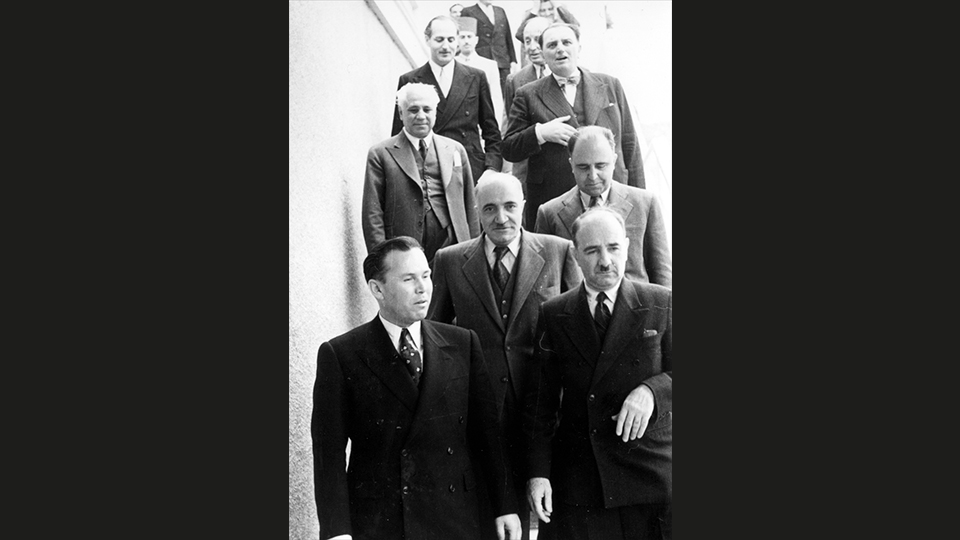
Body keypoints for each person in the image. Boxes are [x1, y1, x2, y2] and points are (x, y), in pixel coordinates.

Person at [312, 237, 522, 540]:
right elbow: (328, 454)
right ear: (377, 289)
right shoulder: (342, 354)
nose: (423, 288)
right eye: (409, 279)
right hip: (382, 523)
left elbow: (487, 435)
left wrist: (505, 507)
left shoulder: (463, 343)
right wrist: (337, 532)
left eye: (426, 275)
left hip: (454, 518)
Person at [428, 171, 581, 540]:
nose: (501, 218)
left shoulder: (558, 251)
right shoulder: (450, 260)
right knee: (496, 517)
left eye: (510, 206)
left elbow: (577, 329)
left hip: (546, 410)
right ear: (476, 211)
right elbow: (434, 334)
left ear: (524, 207)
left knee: (550, 513)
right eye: (490, 209)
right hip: (481, 411)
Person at [523, 207, 672, 539]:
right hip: (583, 481)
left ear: (628, 247)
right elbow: (540, 403)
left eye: (613, 248)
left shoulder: (662, 302)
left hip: (649, 477)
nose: (605, 261)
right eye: (592, 251)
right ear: (575, 255)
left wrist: (652, 391)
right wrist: (538, 474)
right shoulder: (554, 313)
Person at [502, 22, 644, 230]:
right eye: (552, 45)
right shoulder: (528, 94)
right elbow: (509, 148)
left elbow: (630, 144)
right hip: (556, 201)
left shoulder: (610, 85)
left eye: (566, 42)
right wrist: (540, 133)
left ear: (579, 48)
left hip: (611, 195)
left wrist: (639, 200)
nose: (560, 49)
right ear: (543, 54)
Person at [535, 126, 671, 288]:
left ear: (614, 161)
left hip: (637, 302)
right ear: (571, 164)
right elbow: (546, 284)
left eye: (601, 166)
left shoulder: (645, 204)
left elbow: (663, 274)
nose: (593, 176)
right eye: (583, 167)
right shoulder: (549, 214)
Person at [365, 82, 480, 264]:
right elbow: (373, 214)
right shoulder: (380, 154)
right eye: (413, 110)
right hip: (403, 250)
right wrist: (382, 262)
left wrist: (474, 251)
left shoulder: (455, 149)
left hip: (451, 245)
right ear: (401, 113)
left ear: (435, 112)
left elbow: (470, 205)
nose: (421, 116)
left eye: (427, 109)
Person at [392, 15, 502, 182]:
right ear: (427, 40)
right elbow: (398, 136)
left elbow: (491, 131)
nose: (445, 46)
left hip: (468, 169)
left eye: (451, 40)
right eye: (439, 40)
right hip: (427, 171)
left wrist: (491, 169)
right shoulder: (410, 80)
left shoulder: (476, 77)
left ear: (457, 40)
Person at [500, 16, 552, 198]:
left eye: (537, 39)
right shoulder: (515, 81)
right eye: (527, 41)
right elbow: (510, 130)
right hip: (529, 173)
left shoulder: (568, 75)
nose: (531, 47)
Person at [455, 17, 505, 130]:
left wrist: (495, 126)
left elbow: (496, 98)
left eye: (469, 37)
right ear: (457, 40)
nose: (466, 41)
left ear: (476, 40)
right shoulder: (452, 64)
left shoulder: (489, 65)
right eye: (462, 37)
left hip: (481, 122)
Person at [460, 1, 516, 97]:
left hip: (502, 60)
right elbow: (463, 37)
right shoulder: (468, 11)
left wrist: (513, 60)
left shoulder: (500, 11)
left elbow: (507, 36)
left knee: (504, 94)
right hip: (481, 60)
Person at [514, 0, 580, 68]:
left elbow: (575, 26)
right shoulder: (535, 27)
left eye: (550, 9)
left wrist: (557, 6)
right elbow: (519, 35)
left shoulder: (558, 25)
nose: (547, 13)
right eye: (543, 10)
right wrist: (534, 10)